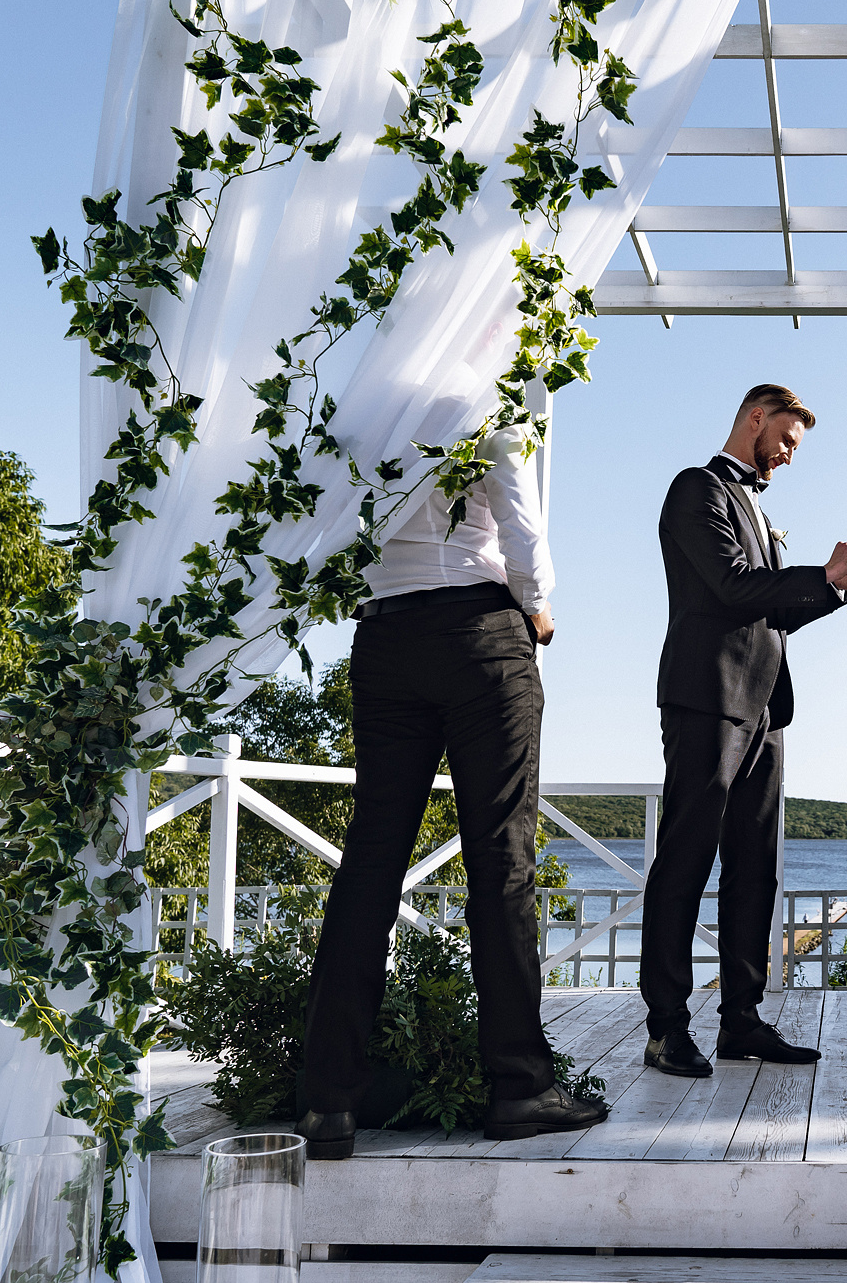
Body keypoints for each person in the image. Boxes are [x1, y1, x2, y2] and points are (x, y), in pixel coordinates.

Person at [294, 429, 606, 1158]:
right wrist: (539, 607)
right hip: (477, 633)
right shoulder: (480, 404)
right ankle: (521, 1085)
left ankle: (329, 1100)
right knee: (501, 861)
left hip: (384, 638)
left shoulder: (359, 405)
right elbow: (520, 523)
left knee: (370, 862)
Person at [640, 384, 847, 1077]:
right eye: (784, 439)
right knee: (686, 858)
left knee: (757, 867)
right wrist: (820, 572)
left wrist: (835, 587)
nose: (787, 454)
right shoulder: (697, 489)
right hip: (707, 698)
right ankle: (665, 1027)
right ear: (755, 416)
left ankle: (742, 1020)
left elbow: (771, 610)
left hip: (766, 709)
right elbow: (731, 587)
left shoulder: (760, 507)